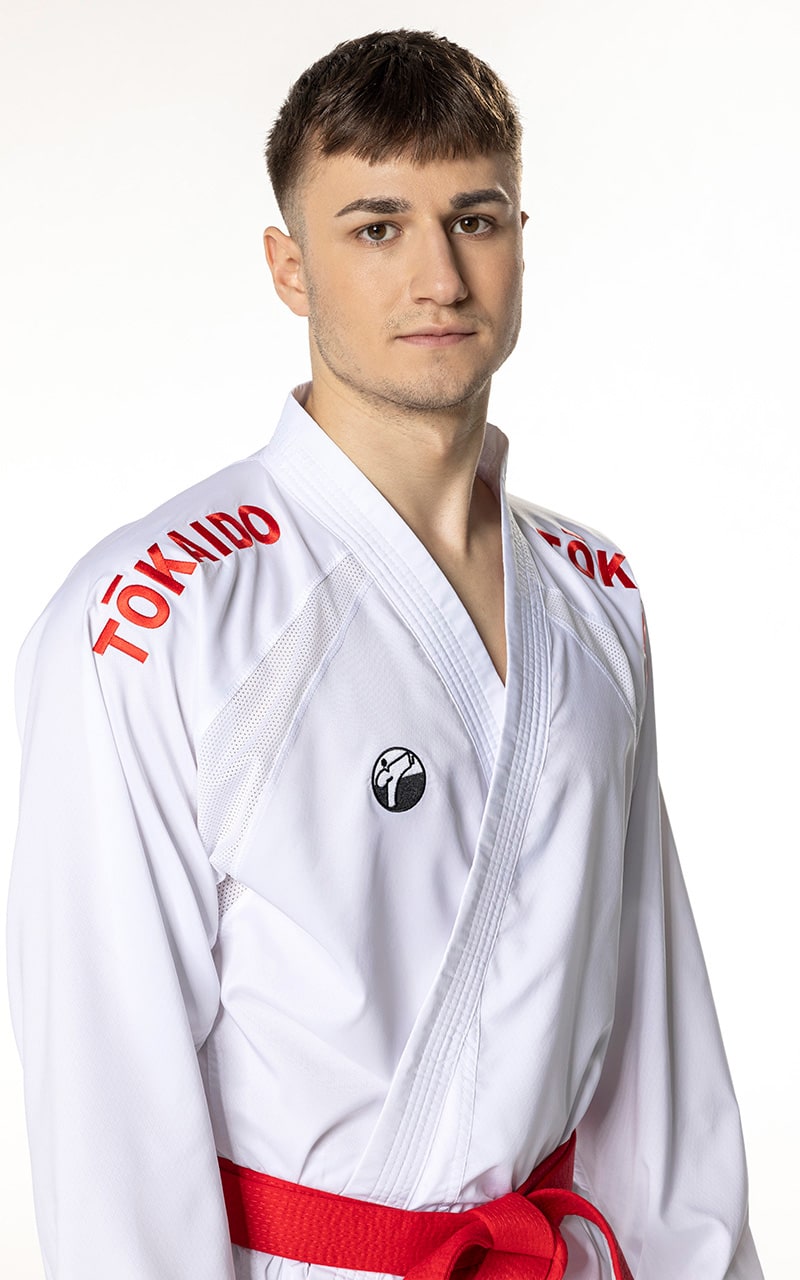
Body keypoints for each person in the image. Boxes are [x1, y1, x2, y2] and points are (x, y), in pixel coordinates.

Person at [7, 28, 762, 1280]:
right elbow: (108, 1103)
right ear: (288, 267)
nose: (439, 278)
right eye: (375, 227)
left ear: (520, 237)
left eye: (474, 219)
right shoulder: (155, 616)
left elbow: (657, 1055)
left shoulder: (595, 598)